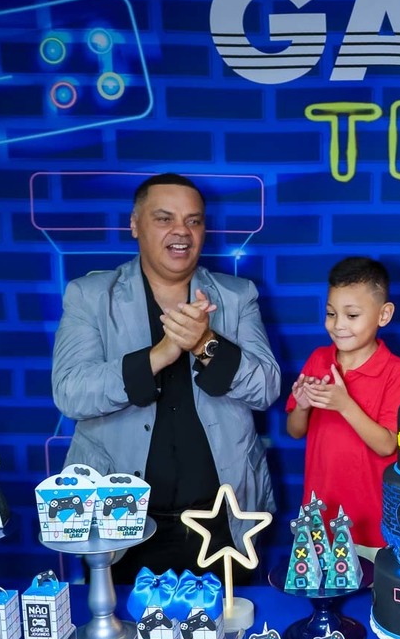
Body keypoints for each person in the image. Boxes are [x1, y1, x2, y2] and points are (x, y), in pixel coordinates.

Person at [52, 173, 280, 584]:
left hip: (221, 519)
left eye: (193, 221)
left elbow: (267, 388)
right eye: (164, 218)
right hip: (121, 520)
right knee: (122, 621)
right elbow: (71, 393)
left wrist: (205, 343)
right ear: (135, 224)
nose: (181, 232)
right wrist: (160, 354)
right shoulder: (89, 295)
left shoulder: (237, 295)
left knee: (229, 623)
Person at [285, 257, 400, 555]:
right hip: (319, 517)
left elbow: (388, 445)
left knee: (371, 582)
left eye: (352, 315)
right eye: (331, 313)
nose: (338, 325)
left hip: (371, 521)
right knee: (317, 581)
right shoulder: (319, 360)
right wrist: (302, 406)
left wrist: (345, 405)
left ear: (384, 315)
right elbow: (294, 430)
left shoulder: (396, 371)